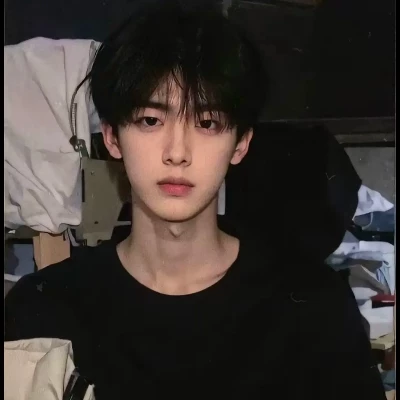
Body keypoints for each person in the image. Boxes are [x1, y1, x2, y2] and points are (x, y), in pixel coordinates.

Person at [4, 2, 386, 399]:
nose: (177, 152)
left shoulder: (313, 308)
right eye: (150, 120)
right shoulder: (44, 310)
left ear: (240, 144)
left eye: (207, 123)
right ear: (113, 137)